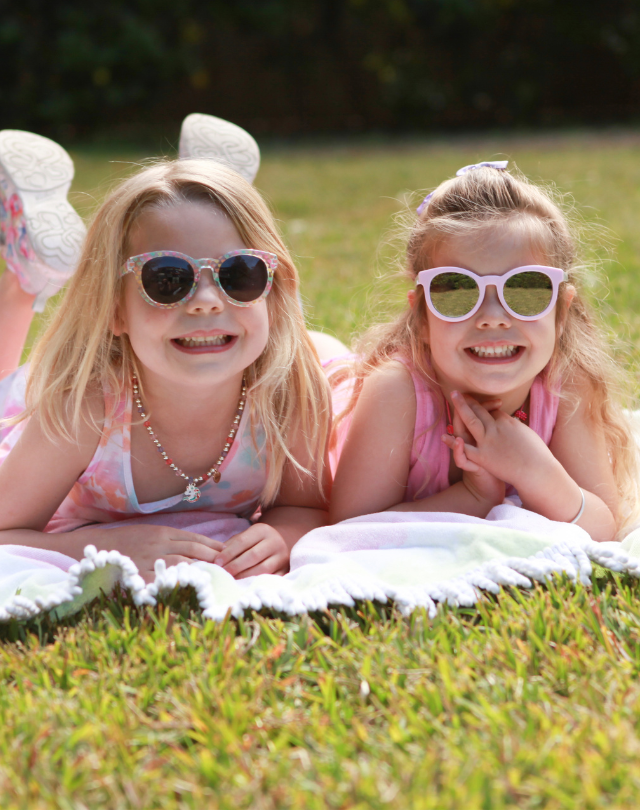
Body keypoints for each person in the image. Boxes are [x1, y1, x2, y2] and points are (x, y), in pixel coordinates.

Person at [0, 133, 332, 582]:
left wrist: (285, 534)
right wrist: (98, 547)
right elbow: (6, 531)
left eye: (241, 274)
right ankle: (30, 276)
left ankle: (194, 203)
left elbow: (303, 505)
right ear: (114, 309)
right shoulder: (85, 408)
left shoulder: (289, 390)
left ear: (273, 295)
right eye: (169, 279)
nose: (207, 302)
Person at [329, 162, 638, 542]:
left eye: (526, 289)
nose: (493, 318)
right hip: (338, 391)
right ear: (422, 317)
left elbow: (603, 529)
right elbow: (347, 530)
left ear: (561, 313)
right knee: (323, 357)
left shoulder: (566, 384)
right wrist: (475, 496)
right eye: (458, 291)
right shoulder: (396, 391)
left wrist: (535, 469)